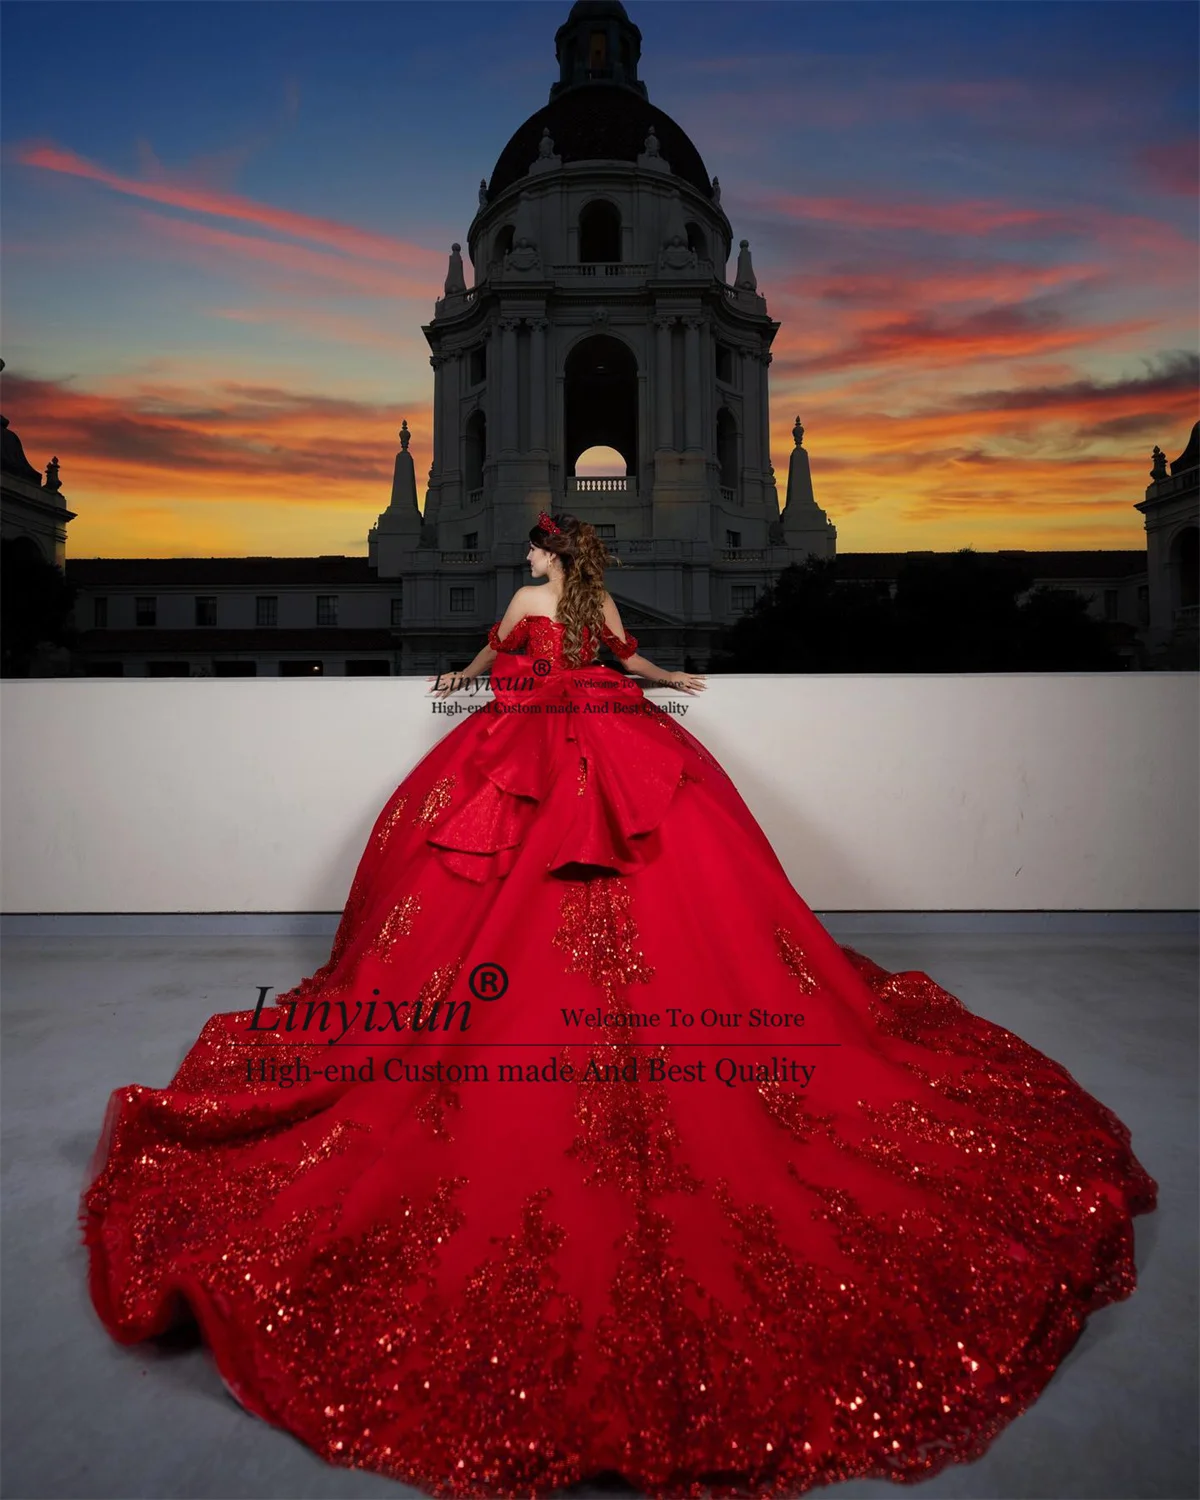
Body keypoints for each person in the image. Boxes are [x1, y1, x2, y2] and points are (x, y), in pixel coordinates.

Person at [82, 510, 1157, 1498]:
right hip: (614, 734)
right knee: (704, 905)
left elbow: (479, 663)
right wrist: (677, 679)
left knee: (466, 904)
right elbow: (634, 663)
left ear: (544, 558)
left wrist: (458, 685)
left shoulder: (525, 608)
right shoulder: (593, 609)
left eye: (534, 556)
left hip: (524, 748)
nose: (531, 569)